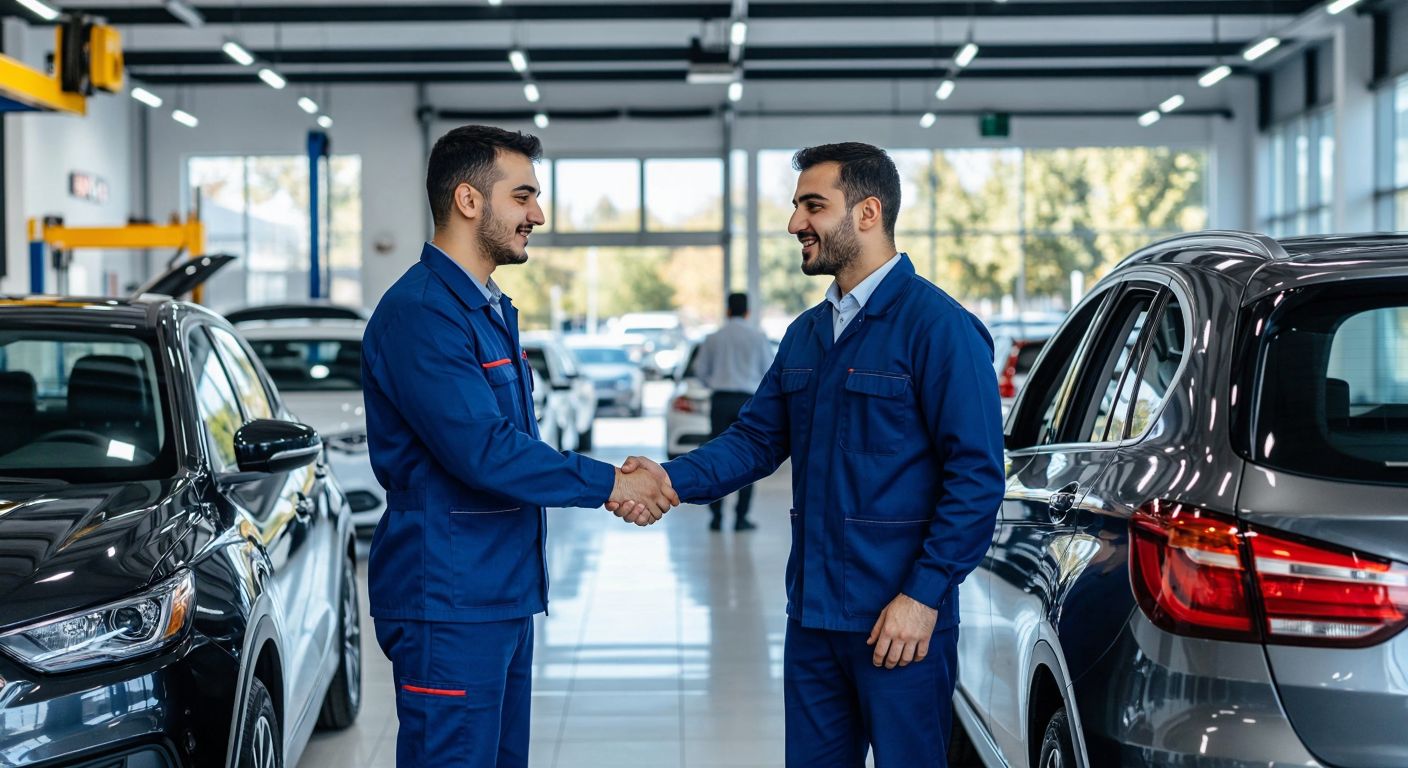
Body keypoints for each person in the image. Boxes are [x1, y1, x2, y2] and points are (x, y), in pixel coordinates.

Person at [613, 142, 1005, 766]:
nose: (796, 223)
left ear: (868, 213)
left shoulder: (939, 329)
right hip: (815, 620)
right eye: (797, 206)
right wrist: (668, 477)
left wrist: (924, 596)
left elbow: (977, 479)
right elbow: (755, 440)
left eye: (813, 205)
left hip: (900, 623)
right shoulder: (807, 334)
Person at [361, 124, 678, 768]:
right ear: (469, 200)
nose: (537, 214)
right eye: (524, 196)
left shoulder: (485, 308)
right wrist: (613, 482)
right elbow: (485, 450)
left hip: (497, 591)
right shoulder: (423, 313)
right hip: (448, 601)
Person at [692, 291, 774, 531]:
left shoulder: (713, 338)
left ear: (727, 310)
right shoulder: (757, 338)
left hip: (719, 401)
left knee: (716, 456)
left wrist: (716, 383)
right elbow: (769, 371)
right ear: (747, 311)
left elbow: (700, 371)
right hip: (747, 402)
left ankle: (716, 516)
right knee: (748, 457)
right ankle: (741, 518)